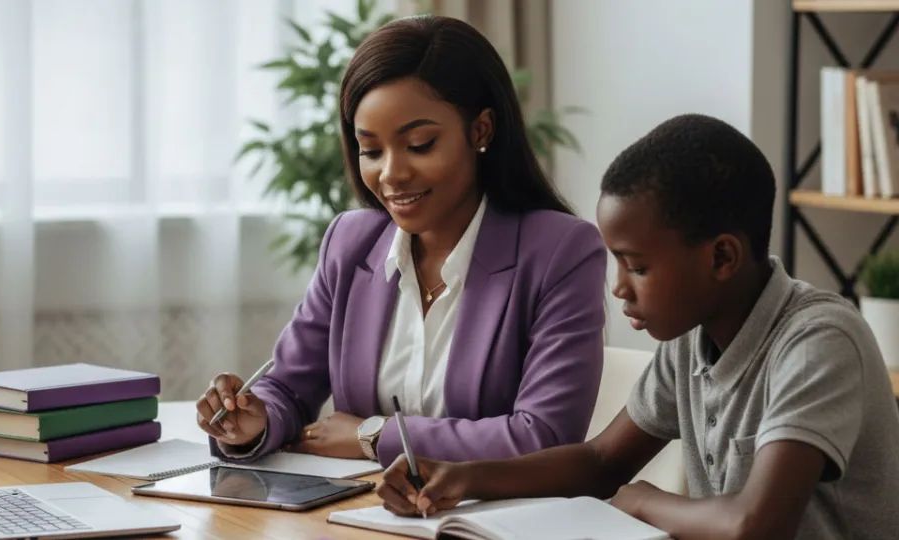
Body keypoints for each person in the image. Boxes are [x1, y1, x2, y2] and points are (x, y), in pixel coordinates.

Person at [376, 113, 899, 540]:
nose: (619, 287)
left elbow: (754, 525)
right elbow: (602, 461)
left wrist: (647, 500)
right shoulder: (692, 338)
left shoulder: (818, 343)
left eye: (638, 266)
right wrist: (462, 476)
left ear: (722, 257)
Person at [193, 14, 607, 468]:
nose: (391, 174)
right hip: (358, 516)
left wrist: (376, 435)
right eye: (370, 150)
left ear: (481, 131)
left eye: (420, 144)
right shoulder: (350, 243)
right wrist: (254, 420)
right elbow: (289, 387)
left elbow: (544, 438)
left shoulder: (560, 252)